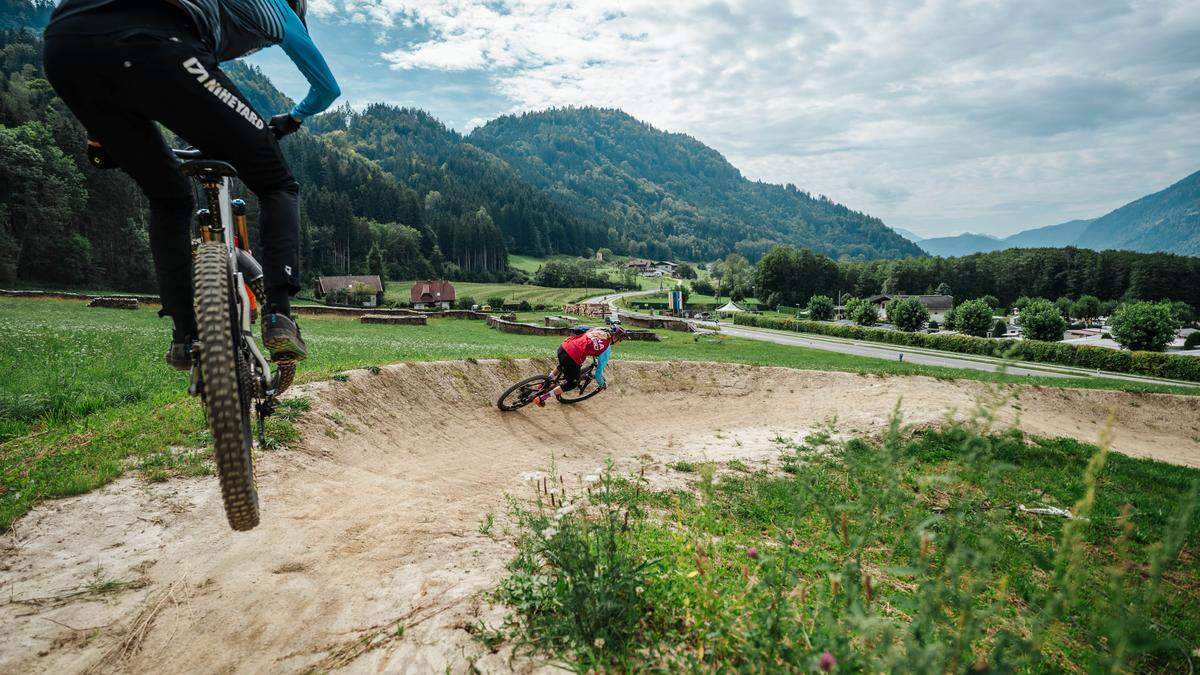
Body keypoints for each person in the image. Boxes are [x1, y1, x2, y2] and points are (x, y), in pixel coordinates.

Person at [42, 0, 340, 369]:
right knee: (277, 183)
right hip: (157, 41)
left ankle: (185, 337)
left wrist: (100, 130)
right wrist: (292, 119)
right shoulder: (278, 8)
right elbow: (327, 88)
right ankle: (279, 315)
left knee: (168, 198)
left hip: (65, 48)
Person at [534, 323, 627, 407]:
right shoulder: (606, 349)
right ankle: (542, 397)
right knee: (572, 384)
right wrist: (602, 384)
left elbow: (579, 329)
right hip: (573, 357)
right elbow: (598, 374)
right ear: (616, 338)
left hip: (564, 346)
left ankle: (543, 384)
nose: (620, 342)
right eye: (621, 340)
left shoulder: (597, 330)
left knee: (563, 365)